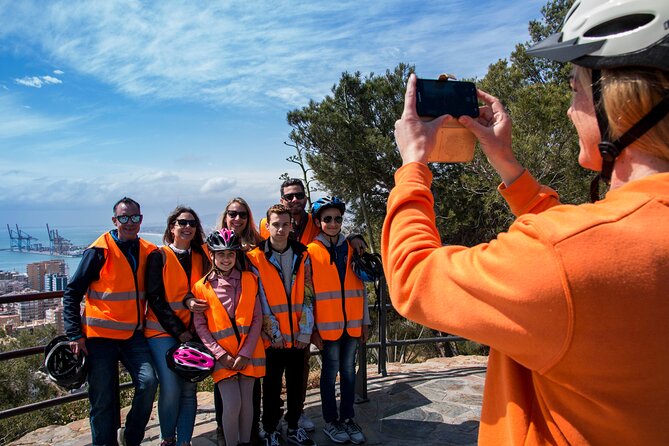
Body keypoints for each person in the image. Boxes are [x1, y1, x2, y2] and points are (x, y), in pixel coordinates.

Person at [382, 1, 669, 444]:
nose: (570, 111)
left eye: (575, 89)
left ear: (620, 101)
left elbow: (413, 276)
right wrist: (507, 163)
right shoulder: (601, 247)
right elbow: (592, 257)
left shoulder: (563, 256)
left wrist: (413, 165)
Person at [63, 197, 158, 446]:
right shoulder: (98, 251)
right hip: (99, 338)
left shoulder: (149, 251)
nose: (129, 222)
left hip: (133, 335)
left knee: (149, 382)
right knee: (102, 399)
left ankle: (130, 438)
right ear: (115, 220)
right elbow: (72, 293)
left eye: (134, 217)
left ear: (141, 219)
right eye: (124, 218)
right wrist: (75, 334)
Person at [247, 204, 316, 446]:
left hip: (298, 335)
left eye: (285, 224)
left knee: (297, 385)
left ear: (291, 225)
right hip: (272, 339)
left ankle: (294, 425)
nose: (280, 229)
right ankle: (271, 429)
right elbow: (260, 299)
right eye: (275, 224)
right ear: (267, 226)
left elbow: (308, 294)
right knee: (272, 387)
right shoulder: (255, 258)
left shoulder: (302, 254)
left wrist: (306, 330)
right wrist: (273, 332)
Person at [193, 228, 265, 446]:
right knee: (232, 405)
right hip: (222, 357)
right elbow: (200, 325)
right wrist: (221, 355)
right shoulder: (201, 286)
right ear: (212, 256)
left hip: (248, 353)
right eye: (221, 254)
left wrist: (244, 353)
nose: (226, 259)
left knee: (248, 406)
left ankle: (245, 442)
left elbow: (256, 319)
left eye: (230, 254)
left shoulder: (250, 279)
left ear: (236, 255)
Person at [307, 197, 371, 445]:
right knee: (329, 372)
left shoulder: (353, 247)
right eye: (327, 219)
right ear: (318, 222)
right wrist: (312, 330)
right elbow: (308, 295)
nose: (333, 223)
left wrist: (365, 321)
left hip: (353, 324)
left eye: (337, 219)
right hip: (327, 327)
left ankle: (347, 418)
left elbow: (361, 288)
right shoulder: (311, 252)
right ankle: (331, 422)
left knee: (348, 372)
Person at [144, 206, 209, 446]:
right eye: (182, 222)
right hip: (161, 331)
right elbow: (156, 299)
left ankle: (184, 441)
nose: (187, 227)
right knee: (171, 386)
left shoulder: (202, 257)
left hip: (193, 332)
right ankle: (167, 437)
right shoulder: (158, 256)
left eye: (192, 223)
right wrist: (180, 332)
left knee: (189, 389)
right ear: (172, 227)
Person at [214, 197, 264, 445]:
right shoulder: (211, 246)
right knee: (226, 395)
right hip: (221, 339)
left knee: (251, 392)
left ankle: (249, 435)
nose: (237, 218)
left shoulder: (257, 245)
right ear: (225, 216)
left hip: (250, 334)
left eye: (242, 214)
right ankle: (226, 434)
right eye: (233, 213)